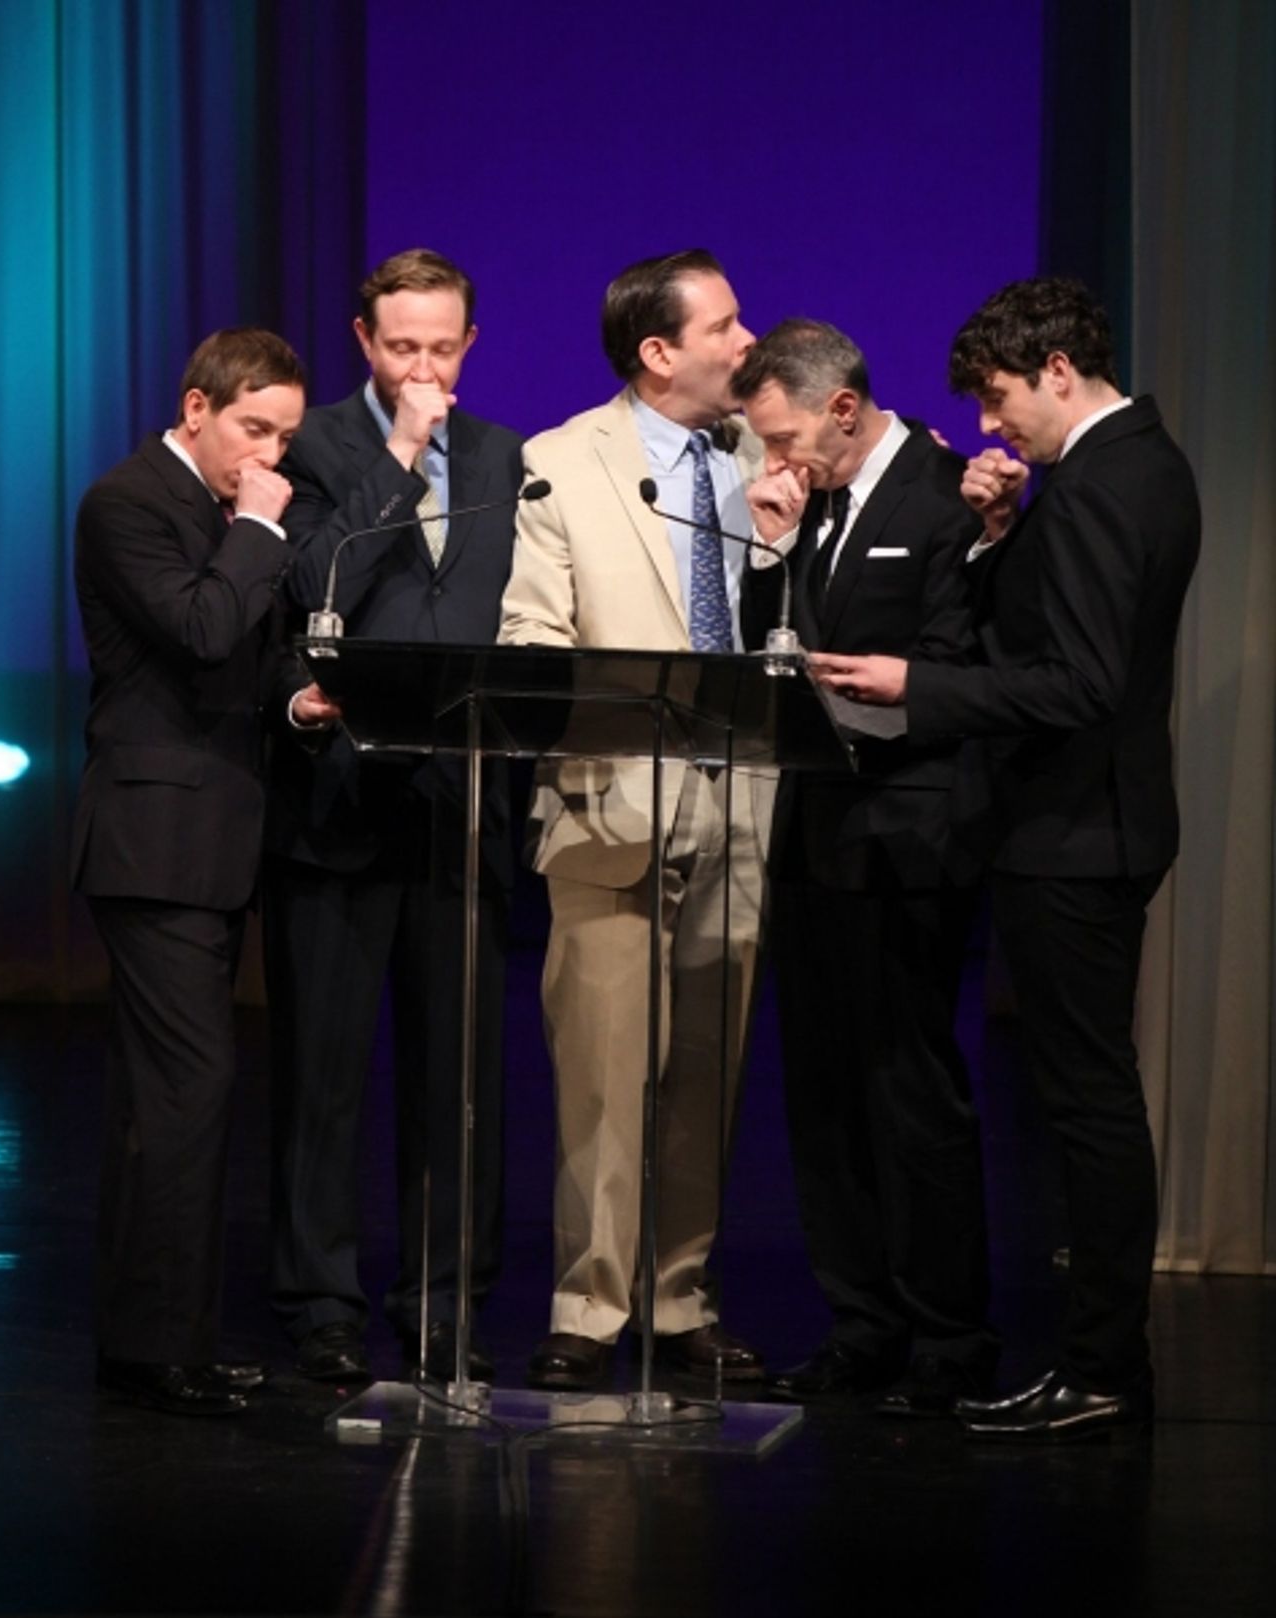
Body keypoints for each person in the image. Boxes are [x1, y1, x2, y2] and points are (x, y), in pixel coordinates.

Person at [812, 277, 1201, 1441]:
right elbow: (1059, 635)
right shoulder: (1138, 464)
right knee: (1085, 1098)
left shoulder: (1095, 486)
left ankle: (1101, 1369)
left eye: (996, 399)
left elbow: (1075, 682)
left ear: (1057, 372)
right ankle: (1098, 1362)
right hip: (1091, 827)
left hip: (1075, 834)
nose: (989, 426)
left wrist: (913, 684)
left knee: (1085, 1104)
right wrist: (992, 535)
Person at [499, 249, 774, 1391]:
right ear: (659, 352)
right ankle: (587, 1304)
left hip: (740, 799)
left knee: (705, 1070)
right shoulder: (561, 461)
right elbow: (528, 641)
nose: (746, 338)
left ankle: (676, 1295)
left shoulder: (770, 452)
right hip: (611, 798)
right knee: (608, 1073)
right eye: (725, 321)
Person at [264, 249, 525, 1385]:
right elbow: (314, 578)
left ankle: (443, 1299)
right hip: (337, 800)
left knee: (456, 1073)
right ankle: (319, 1300)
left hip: (458, 800)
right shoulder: (316, 442)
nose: (424, 367)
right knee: (323, 1072)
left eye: (443, 346)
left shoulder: (508, 456)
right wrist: (401, 451)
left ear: (469, 344)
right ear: (365, 343)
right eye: (402, 346)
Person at [734, 319, 996, 1417]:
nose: (775, 462)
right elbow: (766, 663)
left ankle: (946, 1336)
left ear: (841, 407)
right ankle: (861, 1321)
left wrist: (883, 691)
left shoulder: (947, 492)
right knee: (824, 1093)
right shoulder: (810, 504)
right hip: (814, 835)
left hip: (908, 834)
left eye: (786, 437)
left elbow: (956, 662)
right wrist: (771, 551)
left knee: (906, 1090)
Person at [74, 327, 336, 1417]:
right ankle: (156, 1348)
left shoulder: (233, 517)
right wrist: (262, 527)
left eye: (283, 433)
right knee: (186, 1089)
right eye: (251, 428)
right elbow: (198, 626)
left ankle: (158, 1337)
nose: (267, 453)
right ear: (195, 409)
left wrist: (297, 701)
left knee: (176, 1095)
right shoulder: (129, 502)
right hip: (157, 838)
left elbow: (251, 656)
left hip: (219, 835)